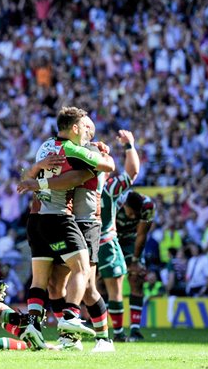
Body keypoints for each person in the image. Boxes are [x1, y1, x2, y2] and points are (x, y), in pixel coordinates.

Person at [26, 129, 139, 352]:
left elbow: (127, 172)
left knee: (88, 286)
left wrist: (126, 147)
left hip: (87, 225)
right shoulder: (71, 158)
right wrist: (39, 168)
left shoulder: (98, 168)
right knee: (55, 284)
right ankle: (70, 337)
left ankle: (104, 339)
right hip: (64, 224)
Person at [17, 107, 115, 350]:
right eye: (85, 127)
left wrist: (34, 177)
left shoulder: (53, 147)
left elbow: (106, 166)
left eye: (89, 128)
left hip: (66, 221)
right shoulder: (71, 149)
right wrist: (36, 176)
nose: (87, 131)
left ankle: (100, 338)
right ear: (75, 128)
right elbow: (92, 171)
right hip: (60, 219)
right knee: (62, 279)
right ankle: (70, 329)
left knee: (77, 284)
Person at [113, 190, 155, 341]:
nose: (132, 217)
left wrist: (135, 261)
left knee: (136, 279)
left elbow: (142, 235)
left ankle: (135, 330)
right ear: (124, 205)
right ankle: (112, 330)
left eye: (135, 215)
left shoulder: (148, 207)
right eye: (130, 213)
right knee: (104, 280)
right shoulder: (114, 201)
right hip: (111, 238)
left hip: (131, 240)